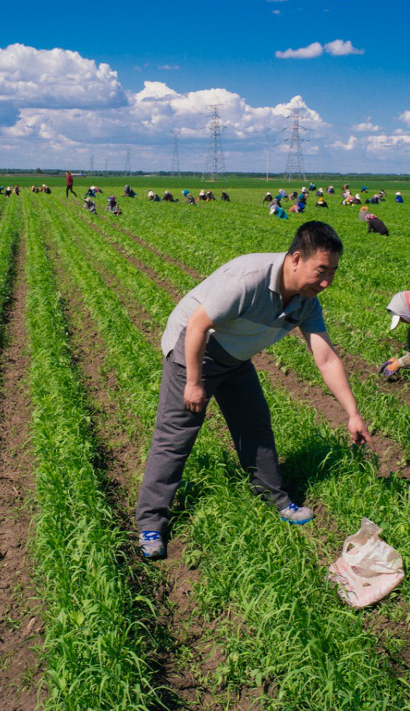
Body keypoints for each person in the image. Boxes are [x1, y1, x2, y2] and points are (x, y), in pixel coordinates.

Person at [135, 221, 373, 559]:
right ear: (295, 259)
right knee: (176, 436)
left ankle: (275, 498)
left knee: (255, 425)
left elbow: (326, 358)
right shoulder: (248, 278)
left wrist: (352, 413)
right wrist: (193, 382)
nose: (326, 282)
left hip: (235, 356)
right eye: (321, 270)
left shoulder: (306, 301)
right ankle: (150, 524)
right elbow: (197, 326)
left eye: (333, 272)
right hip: (195, 349)